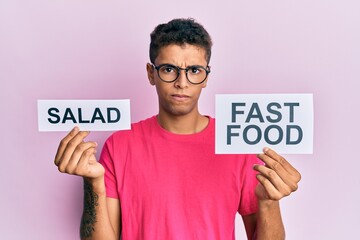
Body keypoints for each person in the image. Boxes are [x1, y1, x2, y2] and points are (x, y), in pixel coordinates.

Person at [54, 18, 301, 240]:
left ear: (206, 77)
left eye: (194, 71)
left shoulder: (236, 144)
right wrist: (93, 182)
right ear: (152, 74)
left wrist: (269, 202)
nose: (181, 83)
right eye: (169, 69)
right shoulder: (119, 146)